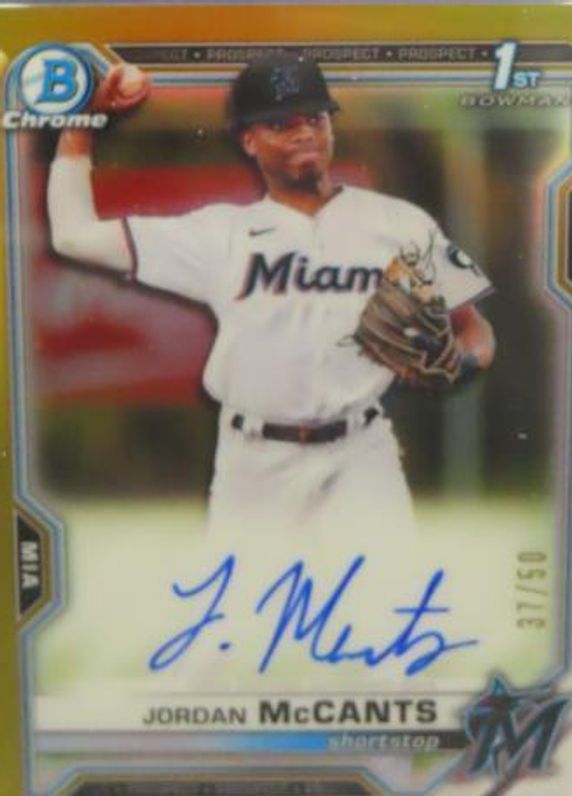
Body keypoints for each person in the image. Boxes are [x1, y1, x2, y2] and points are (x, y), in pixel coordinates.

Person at [47, 55, 495, 539]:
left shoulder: (399, 222)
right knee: (248, 589)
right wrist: (81, 124)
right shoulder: (219, 234)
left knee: (388, 586)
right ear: (248, 140)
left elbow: (473, 327)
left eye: (315, 118)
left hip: (362, 455)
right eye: (281, 123)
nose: (304, 133)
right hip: (255, 463)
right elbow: (73, 235)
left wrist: (467, 362)